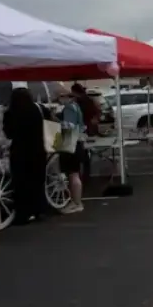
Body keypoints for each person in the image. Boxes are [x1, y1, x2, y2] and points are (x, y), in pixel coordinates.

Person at [2, 88, 51, 224]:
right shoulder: (40, 109)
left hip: (20, 152)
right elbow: (51, 123)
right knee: (38, 181)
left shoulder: (10, 113)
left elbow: (9, 134)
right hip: (38, 150)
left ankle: (23, 214)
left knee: (21, 184)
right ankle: (39, 210)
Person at [59, 85, 86, 213]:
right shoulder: (76, 107)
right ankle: (76, 201)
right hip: (78, 142)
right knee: (75, 174)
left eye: (60, 97)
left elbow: (69, 125)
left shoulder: (69, 108)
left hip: (71, 143)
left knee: (73, 174)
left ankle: (76, 203)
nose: (59, 100)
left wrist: (57, 122)